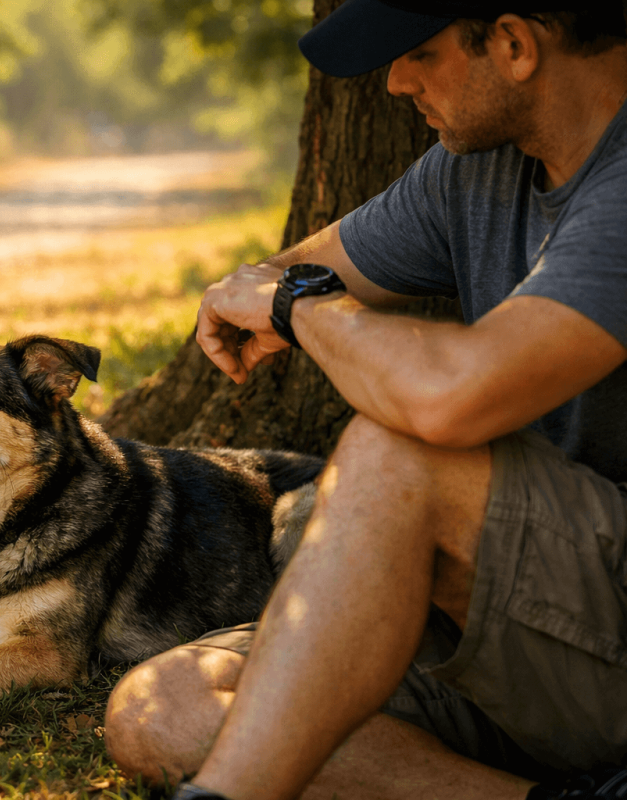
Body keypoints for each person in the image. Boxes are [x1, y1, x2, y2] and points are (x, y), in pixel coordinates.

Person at [102, 2, 627, 799]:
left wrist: (300, 309)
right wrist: (273, 292)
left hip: (605, 622)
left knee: (397, 454)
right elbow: (291, 274)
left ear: (515, 44)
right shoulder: (478, 168)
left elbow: (449, 398)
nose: (395, 83)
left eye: (419, 53)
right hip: (519, 624)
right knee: (163, 710)